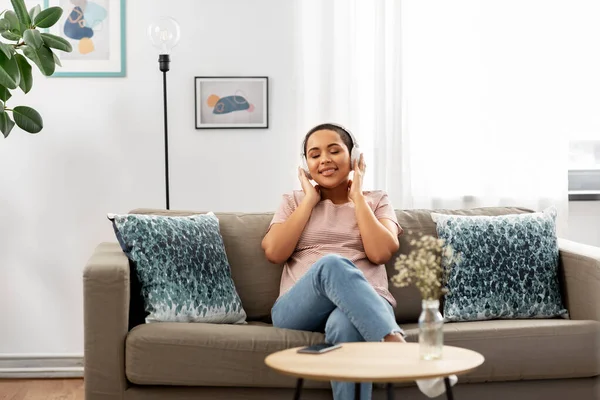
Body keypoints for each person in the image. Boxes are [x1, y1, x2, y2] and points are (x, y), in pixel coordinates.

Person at [261, 123, 406, 400]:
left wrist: (357, 198)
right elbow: (274, 252)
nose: (324, 159)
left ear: (353, 157)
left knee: (346, 325)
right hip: (298, 309)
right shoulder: (293, 201)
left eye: (334, 150)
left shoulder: (376, 200)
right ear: (306, 165)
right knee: (333, 264)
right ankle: (394, 343)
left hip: (367, 304)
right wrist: (309, 201)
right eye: (314, 155)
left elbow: (381, 253)